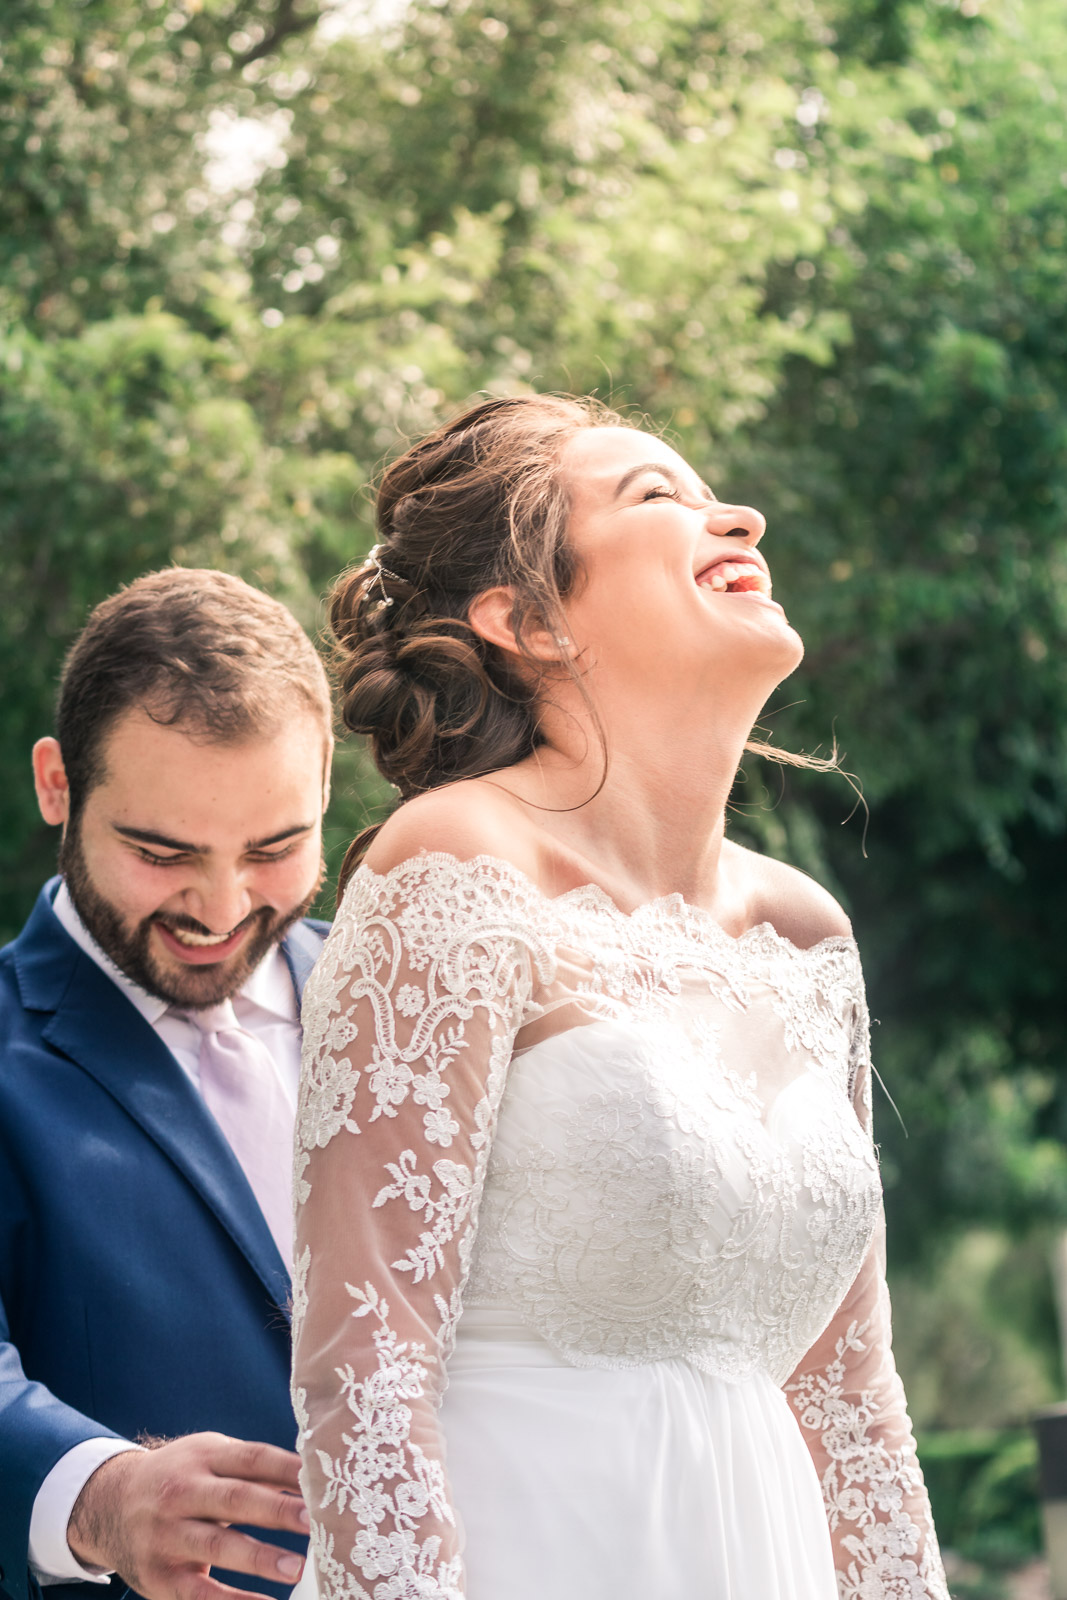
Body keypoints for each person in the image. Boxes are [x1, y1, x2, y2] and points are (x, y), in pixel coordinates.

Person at [290, 395, 949, 1600]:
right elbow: (367, 1361)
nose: (736, 515)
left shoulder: (806, 935)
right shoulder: (452, 867)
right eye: (657, 496)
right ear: (524, 617)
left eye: (713, 496)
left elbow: (850, 1402)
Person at [0, 569, 330, 1600]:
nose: (221, 906)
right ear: (58, 785)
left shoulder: (413, 1004)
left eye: (274, 848)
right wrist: (98, 1495)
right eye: (160, 852)